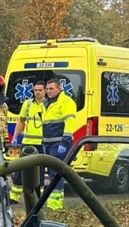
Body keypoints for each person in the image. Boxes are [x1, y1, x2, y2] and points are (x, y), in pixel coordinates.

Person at [42, 77, 78, 210]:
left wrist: (64, 142)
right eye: (47, 89)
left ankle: (56, 205)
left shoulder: (66, 102)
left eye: (51, 88)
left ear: (59, 88)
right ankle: (52, 203)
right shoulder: (47, 103)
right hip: (48, 143)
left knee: (56, 173)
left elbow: (70, 124)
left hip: (58, 144)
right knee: (50, 173)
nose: (48, 91)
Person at [9, 81, 47, 203]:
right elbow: (21, 121)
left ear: (45, 91)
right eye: (35, 90)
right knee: (21, 170)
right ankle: (14, 197)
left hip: (42, 143)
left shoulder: (49, 105)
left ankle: (37, 198)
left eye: (40, 90)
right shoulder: (28, 104)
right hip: (28, 142)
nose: (37, 92)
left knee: (40, 172)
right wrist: (15, 136)